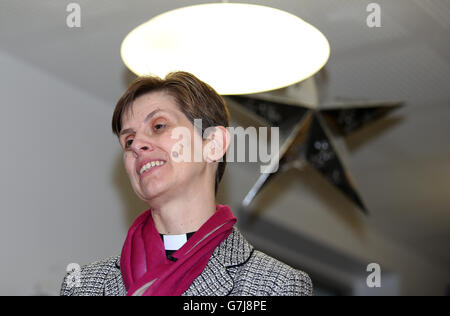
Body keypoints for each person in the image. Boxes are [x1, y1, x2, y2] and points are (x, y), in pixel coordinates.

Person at [60, 71, 313, 296]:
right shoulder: (82, 287)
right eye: (128, 141)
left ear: (213, 145)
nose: (137, 144)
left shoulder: (276, 287)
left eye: (158, 126)